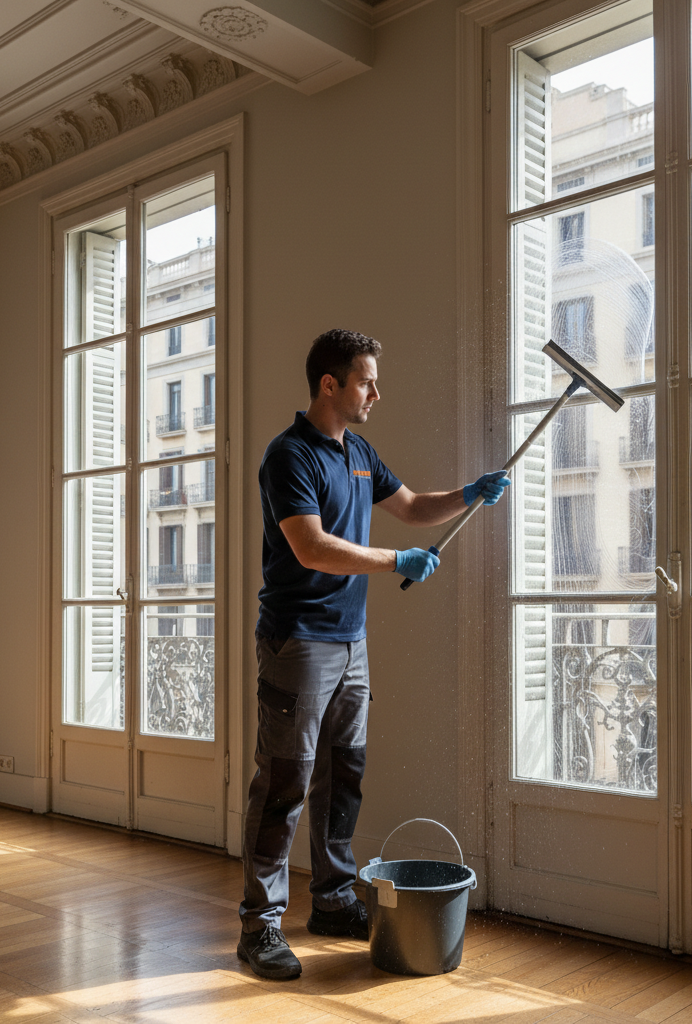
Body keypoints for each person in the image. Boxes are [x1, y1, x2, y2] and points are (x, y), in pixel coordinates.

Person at [237, 328, 509, 980]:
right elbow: (311, 547)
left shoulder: (358, 451)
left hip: (350, 645)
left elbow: (413, 507)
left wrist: (468, 493)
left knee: (342, 779)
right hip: (298, 643)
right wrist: (395, 562)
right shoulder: (289, 456)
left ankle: (332, 901)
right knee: (284, 784)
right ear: (329, 384)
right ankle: (259, 927)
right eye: (366, 381)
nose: (376, 393)